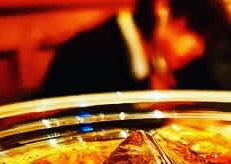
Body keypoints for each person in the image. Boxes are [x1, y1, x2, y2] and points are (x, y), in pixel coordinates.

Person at [39, 0, 218, 97]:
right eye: (193, 29)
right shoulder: (85, 53)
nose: (199, 48)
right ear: (162, 9)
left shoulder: (172, 58)